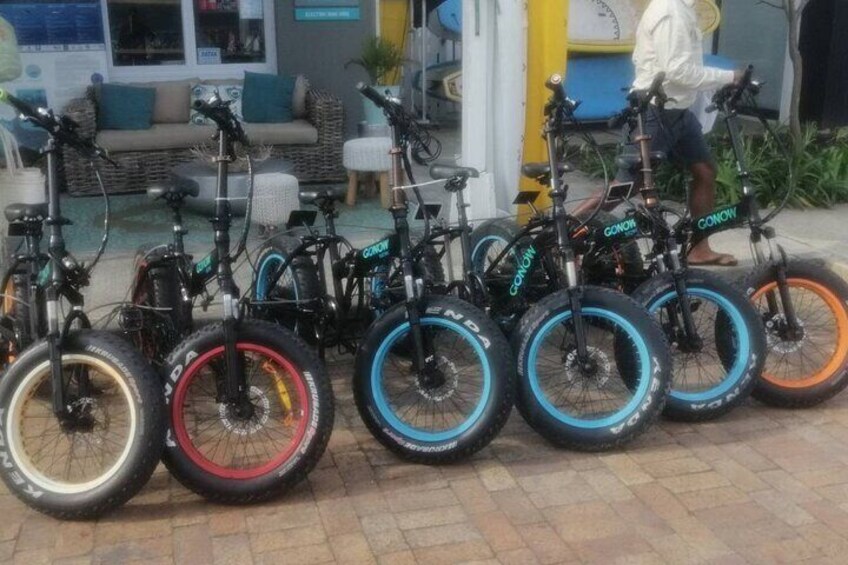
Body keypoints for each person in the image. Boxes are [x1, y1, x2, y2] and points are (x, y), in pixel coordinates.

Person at [574, 0, 742, 266]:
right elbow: (676, 71)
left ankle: (698, 249)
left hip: (679, 110)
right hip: (653, 109)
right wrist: (729, 77)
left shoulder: (683, 8)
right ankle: (564, 235)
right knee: (627, 185)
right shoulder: (670, 11)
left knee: (705, 172)